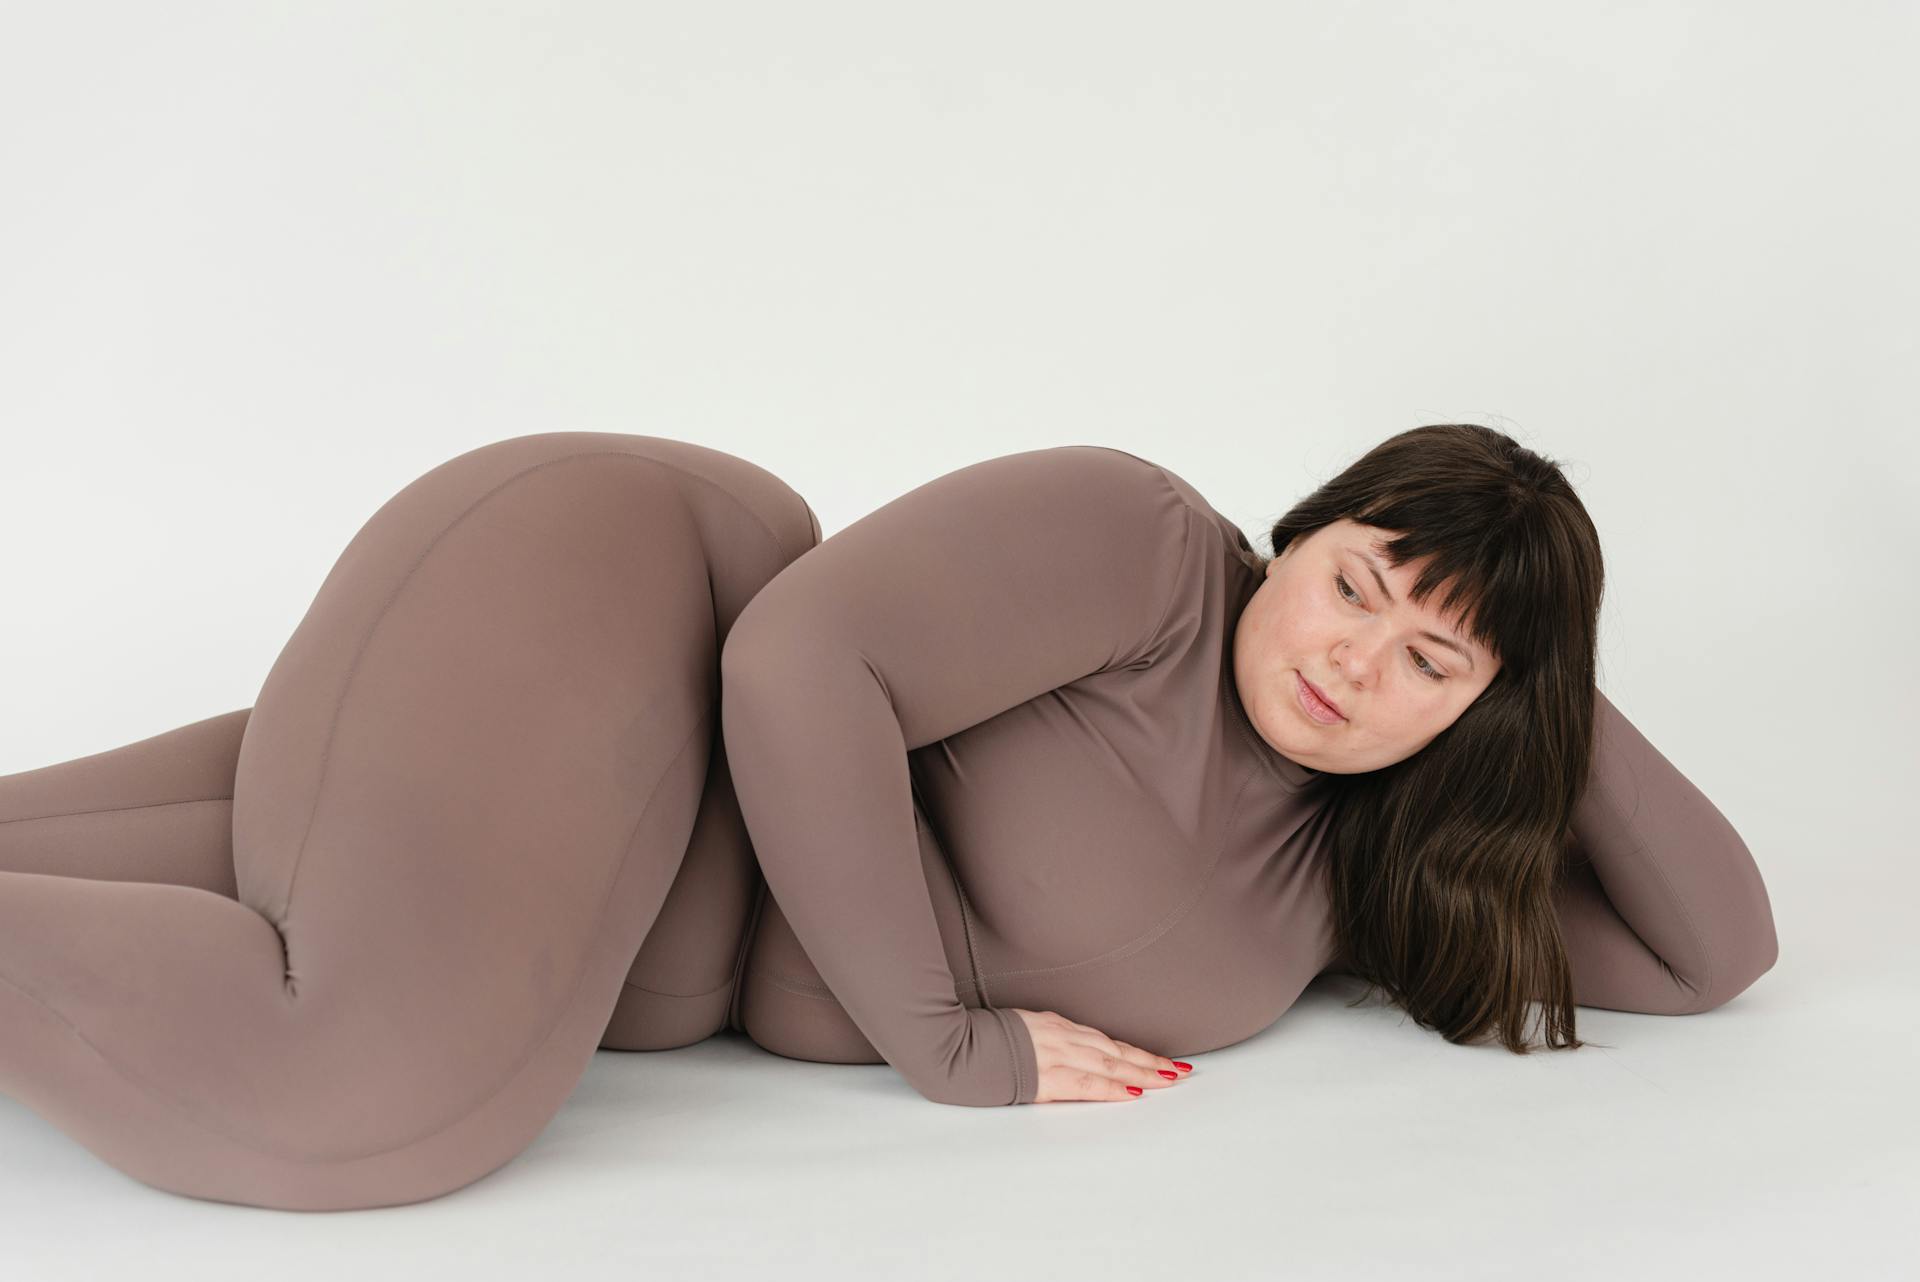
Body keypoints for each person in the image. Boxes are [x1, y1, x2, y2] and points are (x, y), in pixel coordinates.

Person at [0, 425, 1779, 1211]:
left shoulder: (1352, 880)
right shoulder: (1145, 550)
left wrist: (1539, 638)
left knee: (266, 895)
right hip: (625, 608)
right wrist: (952, 1045)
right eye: (1358, 582)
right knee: (376, 1086)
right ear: (1297, 528)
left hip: (551, 836)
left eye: (1432, 662)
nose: (1355, 662)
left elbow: (1716, 954)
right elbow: (793, 666)